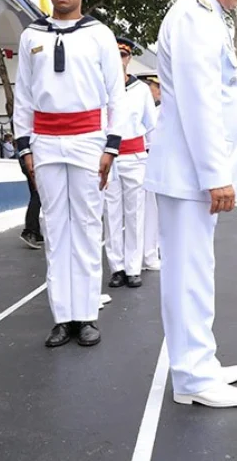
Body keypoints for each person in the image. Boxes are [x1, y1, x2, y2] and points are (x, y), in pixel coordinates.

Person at [142, 0, 237, 408]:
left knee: (196, 270)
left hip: (188, 170)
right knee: (188, 272)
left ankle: (200, 359)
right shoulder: (194, 17)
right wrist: (218, 176)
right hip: (191, 172)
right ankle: (192, 377)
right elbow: (199, 103)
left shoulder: (205, 15)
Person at [12, 0, 125, 348]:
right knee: (55, 228)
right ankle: (62, 317)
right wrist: (23, 144)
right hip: (45, 140)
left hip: (88, 140)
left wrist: (112, 145)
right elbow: (23, 94)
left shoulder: (100, 35)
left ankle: (87, 315)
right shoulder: (31, 35)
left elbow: (116, 95)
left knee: (88, 227)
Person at [104, 37, 156, 289]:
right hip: (109, 159)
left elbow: (151, 126)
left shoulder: (141, 90)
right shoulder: (100, 87)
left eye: (123, 56)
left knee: (135, 214)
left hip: (135, 156)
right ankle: (117, 267)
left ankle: (134, 267)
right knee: (111, 214)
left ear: (129, 59)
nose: (119, 61)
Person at [141, 71, 162, 271]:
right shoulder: (150, 110)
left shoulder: (166, 110)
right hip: (146, 159)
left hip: (162, 162)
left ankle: (156, 249)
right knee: (148, 211)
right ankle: (149, 252)